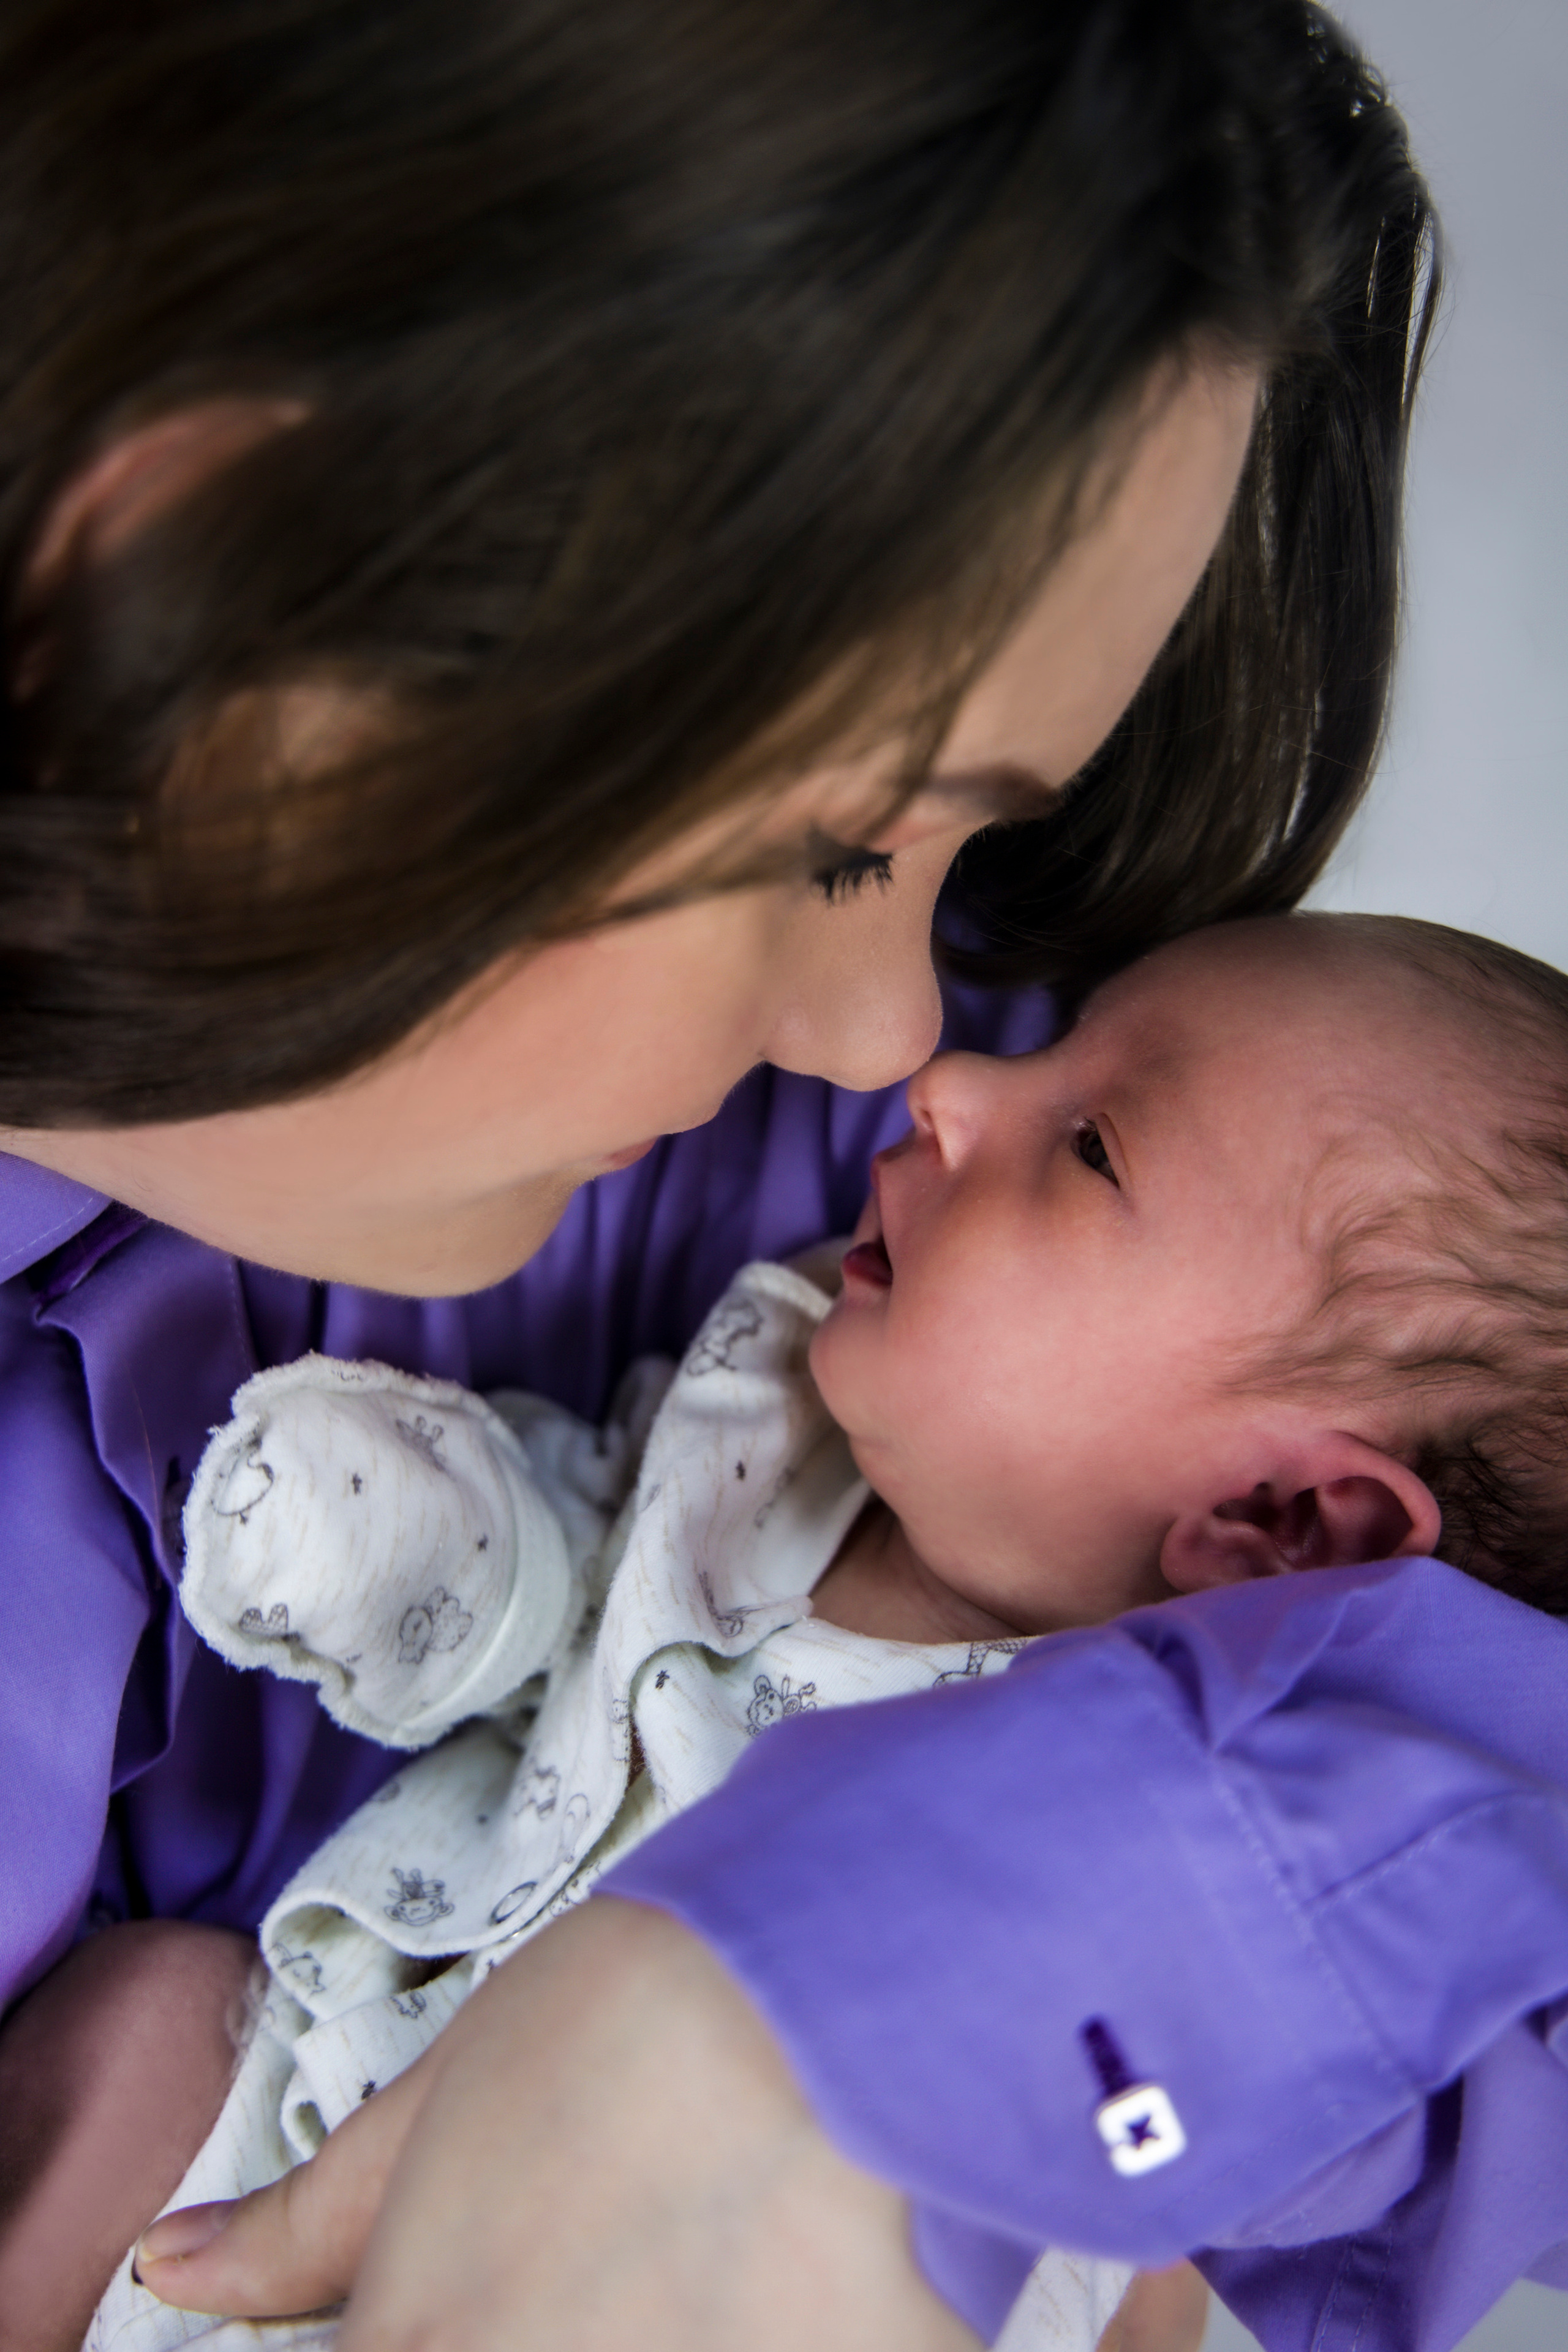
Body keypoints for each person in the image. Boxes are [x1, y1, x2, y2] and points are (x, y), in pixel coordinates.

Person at [1, 5, 1523, 2351]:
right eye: (835, 843)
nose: (904, 1041)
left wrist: (943, 2008)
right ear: (221, 593)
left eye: (957, 849)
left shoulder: (843, 1220)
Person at [90, 910, 1568, 2352]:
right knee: (140, 2023)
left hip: (663, 2274)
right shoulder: (778, 1395)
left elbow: (1031, 2198)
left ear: (1283, 1525)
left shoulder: (1115, 1830)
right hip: (309, 2089)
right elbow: (600, 1574)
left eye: (1092, 1148)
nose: (950, 1080)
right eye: (1053, 1046)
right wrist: (444, 1550)